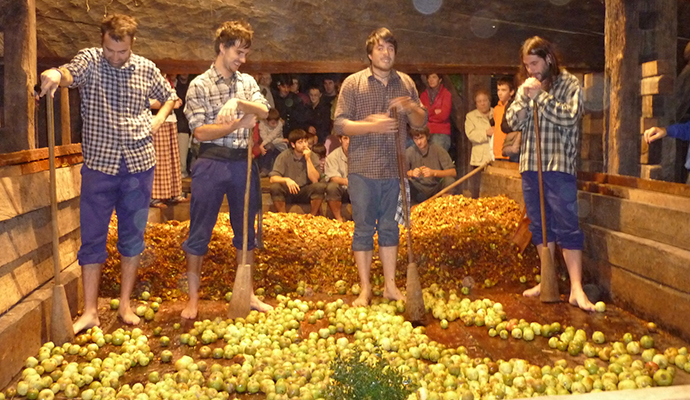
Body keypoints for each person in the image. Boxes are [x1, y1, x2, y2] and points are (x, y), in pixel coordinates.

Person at [37, 14, 178, 333]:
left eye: (122, 52)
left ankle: (125, 305)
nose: (116, 57)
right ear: (103, 41)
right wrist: (55, 73)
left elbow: (170, 97)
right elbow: (69, 73)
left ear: (132, 45)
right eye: (111, 50)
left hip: (139, 166)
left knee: (132, 237)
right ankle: (89, 311)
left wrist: (158, 120)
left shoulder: (145, 67)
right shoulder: (91, 60)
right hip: (100, 167)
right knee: (92, 237)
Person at [181, 20, 272, 319]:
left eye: (245, 54)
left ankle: (248, 292)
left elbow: (264, 111)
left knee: (246, 230)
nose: (242, 60)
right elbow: (200, 133)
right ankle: (193, 299)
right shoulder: (200, 84)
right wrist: (236, 123)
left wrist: (238, 102)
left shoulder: (246, 83)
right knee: (200, 230)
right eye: (238, 52)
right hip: (210, 162)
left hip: (241, 162)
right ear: (222, 46)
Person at [334, 27, 427, 306]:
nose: (386, 53)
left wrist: (410, 106)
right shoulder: (353, 83)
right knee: (363, 228)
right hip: (362, 168)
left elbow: (421, 122)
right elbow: (340, 123)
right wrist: (369, 125)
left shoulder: (406, 83)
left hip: (394, 170)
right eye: (380, 48)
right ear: (369, 54)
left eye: (390, 48)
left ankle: (390, 286)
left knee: (390, 227)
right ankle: (365, 289)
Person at [504, 36, 594, 311]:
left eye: (534, 63)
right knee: (539, 224)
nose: (530, 70)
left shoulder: (569, 84)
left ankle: (576, 287)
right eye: (526, 65)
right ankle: (547, 280)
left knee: (566, 223)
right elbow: (510, 122)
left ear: (549, 59)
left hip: (558, 166)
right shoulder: (526, 87)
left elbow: (570, 117)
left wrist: (540, 97)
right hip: (531, 164)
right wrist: (524, 97)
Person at [150, 76, 187, 208]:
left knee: (171, 159)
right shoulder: (149, 78)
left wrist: (174, 102)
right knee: (159, 160)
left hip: (170, 120)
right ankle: (156, 196)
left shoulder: (165, 80)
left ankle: (172, 193)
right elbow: (146, 101)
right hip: (156, 119)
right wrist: (169, 104)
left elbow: (174, 98)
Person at [269, 129, 326, 215]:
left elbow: (315, 180)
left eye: (305, 141)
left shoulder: (312, 156)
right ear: (293, 144)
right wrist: (286, 180)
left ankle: (312, 216)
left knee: (319, 187)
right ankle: (283, 216)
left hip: (305, 190)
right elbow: (273, 178)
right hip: (289, 190)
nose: (304, 145)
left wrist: (308, 159)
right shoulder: (284, 156)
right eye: (300, 142)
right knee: (275, 187)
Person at [406, 128, 457, 203]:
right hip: (418, 190)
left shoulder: (438, 150)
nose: (419, 142)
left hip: (435, 189)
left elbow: (453, 172)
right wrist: (411, 173)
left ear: (427, 136)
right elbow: (400, 174)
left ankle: (444, 206)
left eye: (421, 138)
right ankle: (412, 208)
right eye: (415, 139)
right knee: (404, 183)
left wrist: (433, 173)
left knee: (449, 180)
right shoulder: (410, 151)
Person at [464, 88, 494, 198]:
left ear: (489, 101)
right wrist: (486, 133)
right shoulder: (470, 117)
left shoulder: (497, 113)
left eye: (485, 100)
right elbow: (471, 134)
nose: (482, 103)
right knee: (477, 188)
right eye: (479, 101)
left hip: (494, 157)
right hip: (479, 158)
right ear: (476, 104)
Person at [420, 73, 452, 151]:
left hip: (441, 133)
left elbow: (444, 115)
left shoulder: (446, 94)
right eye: (429, 77)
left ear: (440, 79)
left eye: (434, 77)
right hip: (426, 132)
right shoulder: (423, 95)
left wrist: (428, 113)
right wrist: (434, 111)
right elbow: (422, 116)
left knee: (437, 159)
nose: (431, 80)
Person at [324, 134, 350, 222]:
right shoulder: (332, 156)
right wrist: (348, 182)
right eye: (345, 138)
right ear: (340, 140)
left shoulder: (362, 155)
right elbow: (333, 177)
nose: (348, 142)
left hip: (357, 189)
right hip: (341, 189)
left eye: (351, 138)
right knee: (332, 187)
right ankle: (339, 219)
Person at [258, 108, 288, 175]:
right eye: (273, 123)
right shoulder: (262, 125)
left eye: (276, 122)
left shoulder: (279, 124)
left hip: (280, 146)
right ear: (266, 121)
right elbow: (265, 138)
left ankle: (276, 170)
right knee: (269, 146)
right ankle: (265, 169)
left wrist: (262, 145)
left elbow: (272, 136)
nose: (275, 125)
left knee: (274, 149)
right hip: (268, 146)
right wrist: (281, 140)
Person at [493, 76, 516, 162]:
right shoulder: (496, 109)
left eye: (503, 90)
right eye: (498, 90)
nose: (500, 93)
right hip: (497, 152)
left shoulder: (514, 107)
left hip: (509, 151)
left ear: (511, 92)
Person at [175, 74, 193, 178]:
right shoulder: (172, 84)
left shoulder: (194, 82)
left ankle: (182, 173)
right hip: (173, 121)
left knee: (183, 157)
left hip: (186, 125)